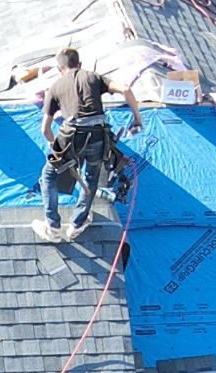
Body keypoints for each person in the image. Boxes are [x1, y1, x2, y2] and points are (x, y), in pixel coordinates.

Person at [33, 47, 140, 241]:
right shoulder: (94, 77)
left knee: (48, 175)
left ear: (59, 68)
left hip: (70, 136)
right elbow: (125, 89)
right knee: (91, 177)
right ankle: (77, 223)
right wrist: (137, 119)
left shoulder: (55, 87)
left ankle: (53, 227)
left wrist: (55, 148)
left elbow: (45, 130)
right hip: (98, 134)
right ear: (79, 64)